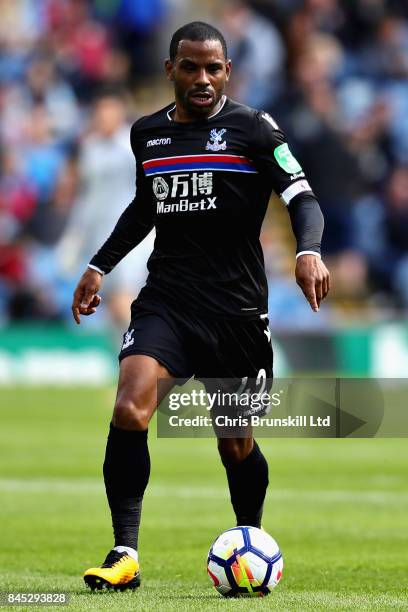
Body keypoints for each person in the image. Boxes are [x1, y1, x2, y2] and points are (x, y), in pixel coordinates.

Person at [72, 21, 330, 591]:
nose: (202, 78)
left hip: (237, 317)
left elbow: (302, 197)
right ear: (170, 70)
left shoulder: (256, 130)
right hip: (168, 303)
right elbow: (146, 208)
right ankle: (124, 554)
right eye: (190, 67)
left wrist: (308, 252)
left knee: (235, 442)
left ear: (228, 71)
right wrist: (98, 265)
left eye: (213, 68)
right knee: (130, 407)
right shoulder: (148, 135)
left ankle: (250, 539)